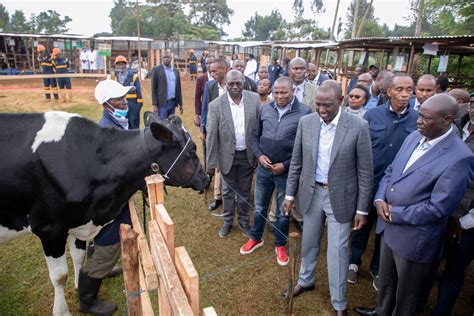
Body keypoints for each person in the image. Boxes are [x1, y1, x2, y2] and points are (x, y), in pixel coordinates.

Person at [355, 94, 474, 316]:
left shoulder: (460, 157)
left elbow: (439, 208)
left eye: (425, 118)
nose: (418, 121)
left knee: (406, 294)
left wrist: (395, 214)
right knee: (387, 280)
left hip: (415, 237)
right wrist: (380, 199)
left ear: (447, 120)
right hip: (388, 227)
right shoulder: (414, 137)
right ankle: (381, 312)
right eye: (418, 115)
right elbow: (392, 170)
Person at [282, 80, 373, 316]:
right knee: (309, 241)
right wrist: (290, 194)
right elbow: (297, 162)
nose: (322, 110)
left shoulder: (358, 126)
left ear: (341, 102)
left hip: (340, 197)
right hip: (311, 194)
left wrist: (362, 209)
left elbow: (365, 171)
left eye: (328, 105)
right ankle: (306, 279)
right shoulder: (306, 122)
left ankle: (339, 302)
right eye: (318, 105)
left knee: (338, 251)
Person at [348, 74, 418, 289]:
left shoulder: (417, 119)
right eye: (399, 89)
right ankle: (354, 261)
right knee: (362, 222)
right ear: (388, 91)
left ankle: (378, 268)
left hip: (397, 187)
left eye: (409, 89)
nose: (405, 94)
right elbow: (359, 148)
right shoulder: (373, 115)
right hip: (370, 181)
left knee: (385, 227)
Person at [78, 79, 136, 315]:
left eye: (124, 97)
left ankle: (103, 266)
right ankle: (88, 300)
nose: (124, 102)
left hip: (116, 196)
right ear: (106, 105)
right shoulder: (106, 130)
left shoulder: (119, 121)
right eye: (118, 99)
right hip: (111, 200)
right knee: (109, 241)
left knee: (106, 236)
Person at [240, 76, 311, 265]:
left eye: (283, 92)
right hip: (264, 169)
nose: (279, 96)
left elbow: (306, 147)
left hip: (286, 173)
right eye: (276, 92)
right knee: (260, 207)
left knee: (283, 211)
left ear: (293, 91)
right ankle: (256, 238)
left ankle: (280, 243)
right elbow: (254, 136)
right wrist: (259, 155)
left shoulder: (304, 113)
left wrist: (285, 165)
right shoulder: (265, 109)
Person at [431, 97, 474, 315]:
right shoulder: (454, 128)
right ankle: (417, 303)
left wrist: (464, 222)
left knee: (453, 272)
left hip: (465, 221)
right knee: (429, 264)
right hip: (437, 212)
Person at [206, 70, 260, 238]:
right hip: (226, 156)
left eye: (238, 83)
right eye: (231, 84)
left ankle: (244, 222)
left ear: (243, 82)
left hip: (247, 155)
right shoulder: (215, 105)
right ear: (225, 84)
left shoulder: (254, 99)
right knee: (228, 191)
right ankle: (228, 221)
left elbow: (259, 129)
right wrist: (211, 164)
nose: (235, 87)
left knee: (244, 191)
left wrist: (258, 154)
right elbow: (212, 135)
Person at [200, 58, 230, 212]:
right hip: (215, 131)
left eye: (214, 71)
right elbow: (205, 108)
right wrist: (203, 129)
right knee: (218, 164)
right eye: (210, 71)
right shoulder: (210, 86)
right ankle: (218, 196)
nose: (211, 74)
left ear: (225, 69)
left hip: (232, 132)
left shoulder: (235, 85)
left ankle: (231, 195)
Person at [151, 50, 183, 119]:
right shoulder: (156, 70)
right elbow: (153, 88)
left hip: (172, 102)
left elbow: (178, 88)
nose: (166, 59)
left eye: (168, 57)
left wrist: (181, 103)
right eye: (164, 57)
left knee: (170, 123)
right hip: (162, 103)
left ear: (171, 58)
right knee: (162, 124)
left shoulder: (175, 71)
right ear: (161, 58)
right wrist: (154, 104)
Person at [114, 55, 143, 129]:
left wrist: (138, 107)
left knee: (133, 123)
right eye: (119, 64)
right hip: (121, 105)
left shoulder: (133, 76)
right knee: (123, 124)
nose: (121, 66)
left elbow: (139, 93)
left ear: (126, 64)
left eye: (122, 64)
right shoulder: (117, 77)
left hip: (133, 104)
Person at [194, 56, 215, 127]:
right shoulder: (201, 79)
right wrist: (197, 115)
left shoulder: (219, 78)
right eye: (207, 63)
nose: (209, 65)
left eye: (211, 63)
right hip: (206, 110)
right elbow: (197, 97)